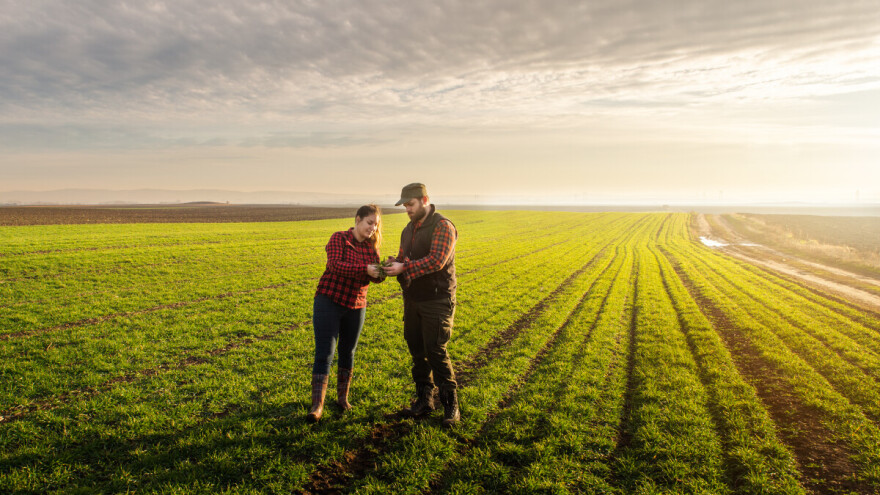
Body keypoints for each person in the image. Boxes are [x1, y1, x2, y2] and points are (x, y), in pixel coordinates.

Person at [383, 183, 460, 426]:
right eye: (405, 205)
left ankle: (451, 407)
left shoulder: (443, 226)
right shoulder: (407, 229)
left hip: (437, 299)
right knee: (417, 352)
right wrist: (394, 263)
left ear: (424, 200)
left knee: (436, 352)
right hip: (413, 299)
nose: (407, 209)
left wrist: (404, 267)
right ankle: (423, 401)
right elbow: (406, 258)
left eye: (411, 204)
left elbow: (437, 260)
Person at [307, 204, 384, 423]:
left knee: (348, 352)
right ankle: (317, 405)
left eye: (375, 225)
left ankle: (342, 398)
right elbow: (335, 265)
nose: (372, 228)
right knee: (325, 353)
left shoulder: (371, 248)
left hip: (357, 305)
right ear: (358, 219)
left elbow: (375, 277)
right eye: (369, 223)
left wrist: (382, 272)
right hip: (329, 300)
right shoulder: (339, 238)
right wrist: (364, 270)